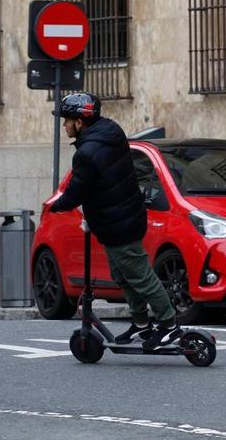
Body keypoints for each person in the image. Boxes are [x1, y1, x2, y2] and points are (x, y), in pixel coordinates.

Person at [48, 92, 182, 350]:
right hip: (122, 217)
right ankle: (142, 325)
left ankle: (169, 325)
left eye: (67, 120)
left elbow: (78, 189)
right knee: (122, 275)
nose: (64, 125)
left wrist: (59, 205)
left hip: (117, 222)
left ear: (80, 122)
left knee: (141, 276)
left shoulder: (88, 151)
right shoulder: (110, 132)